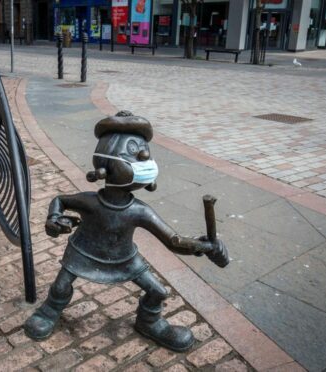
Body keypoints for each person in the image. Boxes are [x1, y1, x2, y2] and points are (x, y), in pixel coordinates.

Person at [24, 111, 229, 352]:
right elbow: (60, 200)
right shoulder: (90, 202)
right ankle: (49, 311)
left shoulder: (139, 211)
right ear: (104, 165)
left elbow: (173, 240)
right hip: (82, 252)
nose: (143, 155)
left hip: (125, 258)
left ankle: (149, 322)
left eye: (144, 151)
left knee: (158, 291)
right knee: (60, 287)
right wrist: (54, 218)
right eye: (133, 151)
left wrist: (203, 246)